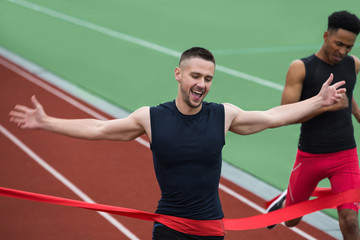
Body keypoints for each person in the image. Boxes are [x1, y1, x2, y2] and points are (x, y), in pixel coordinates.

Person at [9, 47, 346, 240]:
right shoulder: (150, 118)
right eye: (196, 76)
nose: (202, 84)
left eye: (208, 78)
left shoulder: (224, 115)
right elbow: (99, 129)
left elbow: (275, 116)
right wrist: (47, 122)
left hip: (212, 226)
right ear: (179, 75)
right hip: (169, 226)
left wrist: (318, 102)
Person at [266, 10, 360, 239]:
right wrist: (324, 106)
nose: (343, 51)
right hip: (310, 156)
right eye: (339, 43)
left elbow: (347, 93)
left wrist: (357, 113)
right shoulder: (301, 67)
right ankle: (286, 198)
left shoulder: (353, 64)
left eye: (349, 46)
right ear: (326, 35)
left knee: (349, 219)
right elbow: (284, 114)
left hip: (345, 155)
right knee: (291, 220)